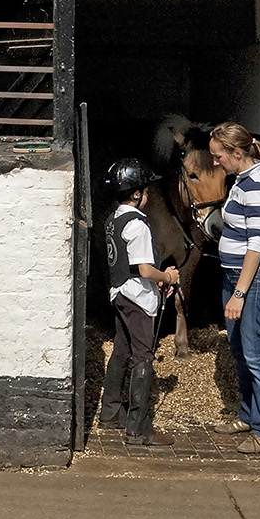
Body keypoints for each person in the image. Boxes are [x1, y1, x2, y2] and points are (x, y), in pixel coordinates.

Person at [209, 123, 260, 454]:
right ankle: (249, 415)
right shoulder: (241, 179)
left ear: (237, 153)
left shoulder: (256, 186)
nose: (214, 162)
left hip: (254, 279)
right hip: (233, 276)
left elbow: (256, 245)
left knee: (255, 353)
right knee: (239, 349)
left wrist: (239, 292)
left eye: (217, 156)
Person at [99, 157, 179, 446]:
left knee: (121, 350)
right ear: (136, 193)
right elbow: (145, 269)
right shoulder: (138, 225)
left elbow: (130, 264)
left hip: (119, 293)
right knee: (143, 355)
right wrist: (167, 276)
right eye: (145, 190)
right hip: (137, 298)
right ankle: (138, 427)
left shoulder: (113, 219)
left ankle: (109, 412)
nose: (148, 195)